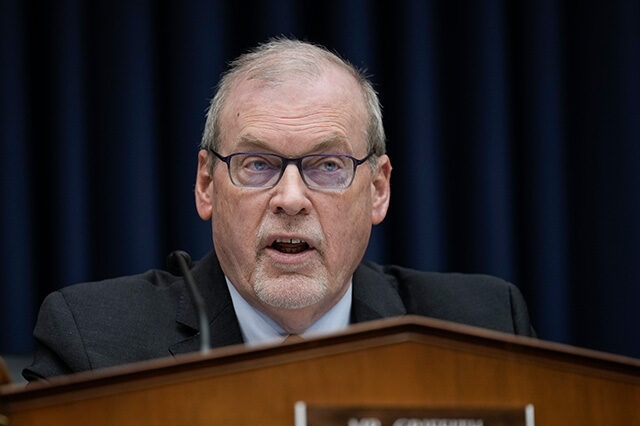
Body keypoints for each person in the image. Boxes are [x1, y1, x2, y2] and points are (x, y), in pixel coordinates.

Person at [23, 39, 533, 381]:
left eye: (329, 165)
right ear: (206, 184)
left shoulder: (481, 333)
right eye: (257, 164)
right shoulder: (93, 343)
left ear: (378, 189)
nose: (290, 198)